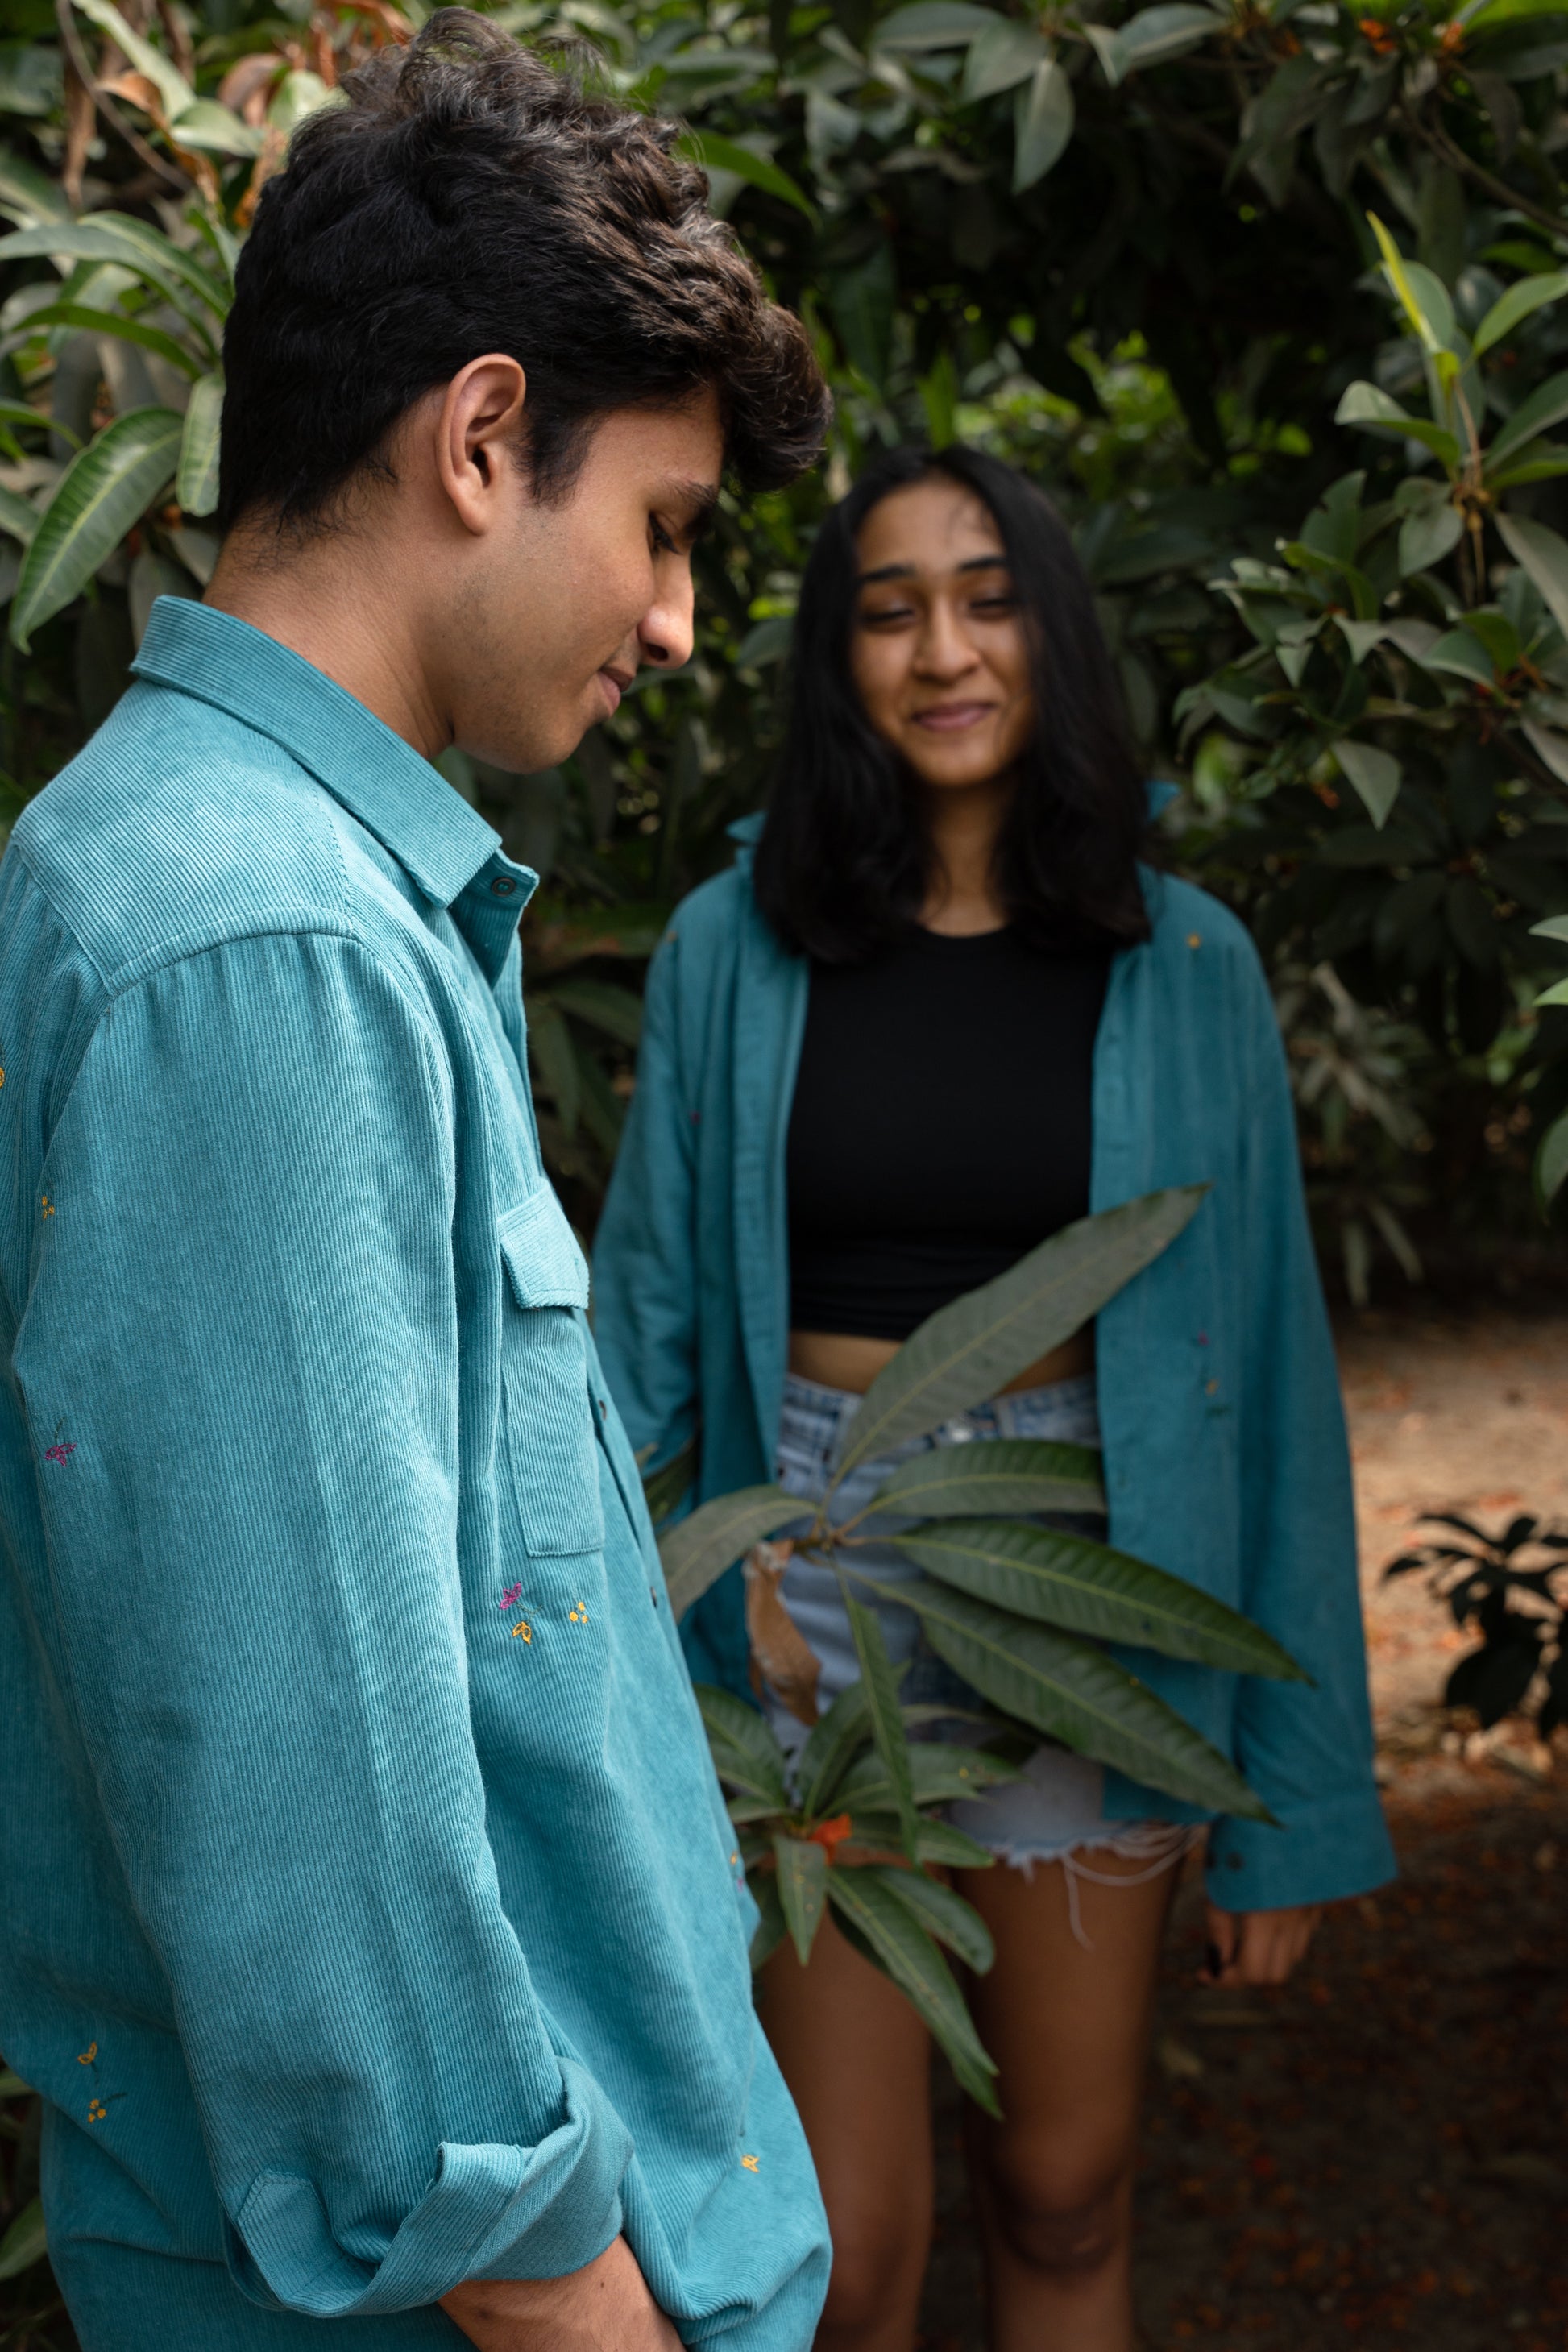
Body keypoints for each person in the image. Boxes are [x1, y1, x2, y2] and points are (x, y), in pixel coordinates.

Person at [0, 18, 832, 2350]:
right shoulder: (252, 946)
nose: (674, 621)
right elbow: (315, 1830)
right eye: (661, 529)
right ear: (481, 438)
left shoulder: (263, 892)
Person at [591, 443, 1396, 2352]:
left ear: (1052, 629)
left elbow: (1266, 1373)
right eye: (888, 608)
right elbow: (633, 1352)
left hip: (1083, 1585)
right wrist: (664, 1633)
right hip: (808, 1596)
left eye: (984, 594)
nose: (941, 647)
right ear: (836, 659)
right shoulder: (735, 950)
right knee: (844, 2251)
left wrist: (1291, 1807)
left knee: (1063, 2188)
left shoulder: (1181, 958)